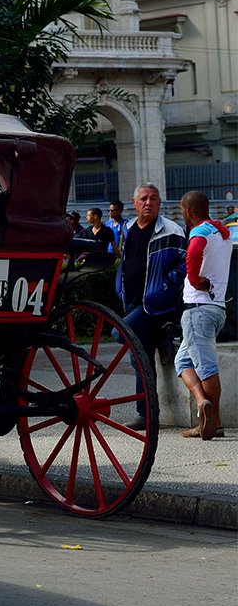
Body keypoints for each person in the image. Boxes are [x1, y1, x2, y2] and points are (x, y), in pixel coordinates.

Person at [116, 183, 187, 430]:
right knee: (140, 358)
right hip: (133, 301)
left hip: (156, 305)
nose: (149, 203)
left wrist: (164, 287)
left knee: (119, 333)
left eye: (154, 199)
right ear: (134, 203)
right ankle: (146, 415)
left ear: (159, 203)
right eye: (144, 198)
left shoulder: (171, 230)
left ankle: (162, 331)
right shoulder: (128, 228)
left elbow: (183, 265)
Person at [174, 191, 231, 440]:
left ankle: (214, 422)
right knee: (183, 362)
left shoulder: (199, 233)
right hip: (216, 308)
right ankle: (202, 404)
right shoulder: (221, 233)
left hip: (198, 309)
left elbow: (193, 252)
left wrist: (195, 279)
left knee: (206, 366)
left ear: (188, 211)